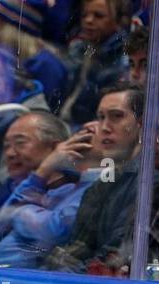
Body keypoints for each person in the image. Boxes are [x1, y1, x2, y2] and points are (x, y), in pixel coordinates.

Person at [45, 85, 148, 274]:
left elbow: (116, 260)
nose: (105, 127)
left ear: (142, 124)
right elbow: (79, 246)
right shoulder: (102, 185)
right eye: (101, 117)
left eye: (116, 116)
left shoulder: (148, 184)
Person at [0, 111, 98, 269]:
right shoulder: (30, 185)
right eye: (6, 146)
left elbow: (54, 231)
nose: (10, 154)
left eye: (20, 143)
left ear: (56, 148)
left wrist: (18, 212)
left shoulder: (83, 189)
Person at [60, 0, 132, 127]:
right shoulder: (79, 49)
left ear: (118, 21)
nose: (88, 20)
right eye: (84, 15)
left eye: (98, 16)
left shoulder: (124, 59)